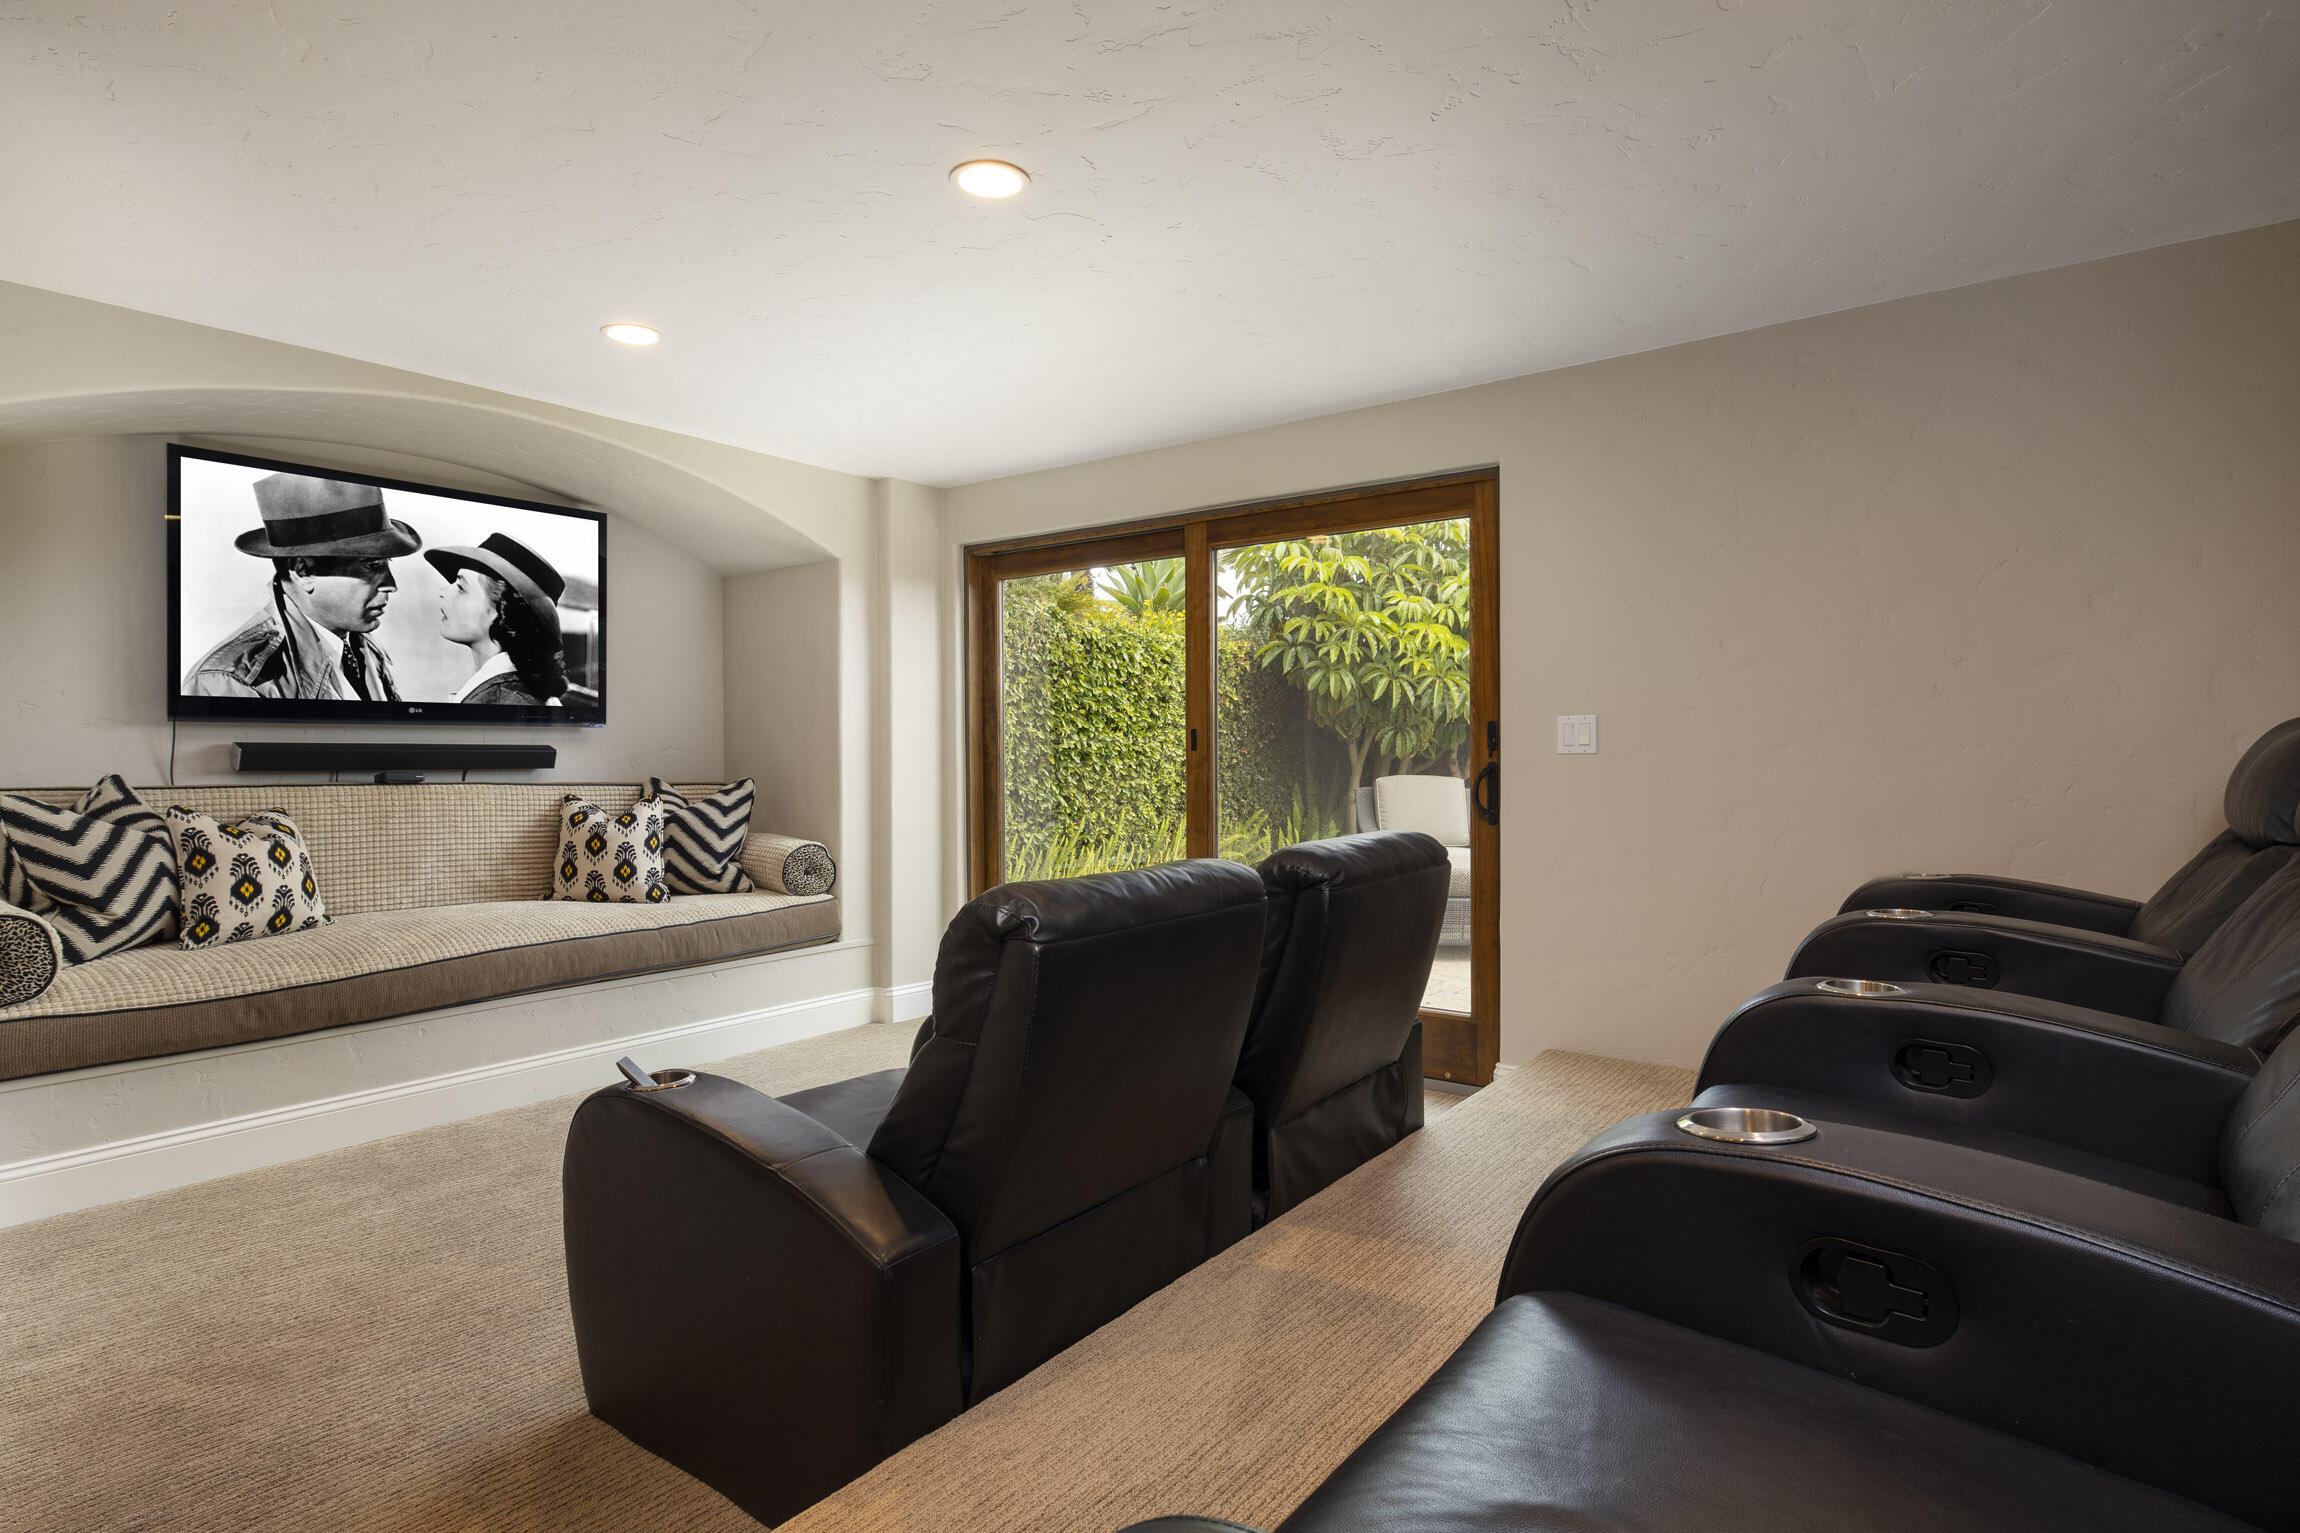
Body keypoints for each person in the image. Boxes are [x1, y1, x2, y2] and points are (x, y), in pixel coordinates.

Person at [183, 474, 421, 701]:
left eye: (387, 564)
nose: (391, 585)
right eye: (371, 565)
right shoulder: (232, 683)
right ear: (303, 572)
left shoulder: (362, 646)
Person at [425, 533, 571, 706]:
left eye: (460, 587)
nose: (443, 592)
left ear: (501, 610)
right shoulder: (506, 691)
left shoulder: (498, 701)